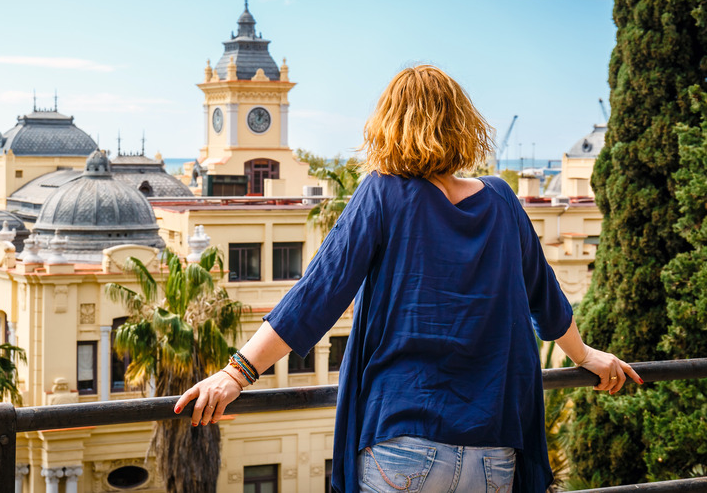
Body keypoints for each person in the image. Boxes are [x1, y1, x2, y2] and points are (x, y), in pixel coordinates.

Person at [174, 65, 641, 493]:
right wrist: (586, 356)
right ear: (463, 125)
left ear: (389, 125)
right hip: (494, 450)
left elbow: (317, 293)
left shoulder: (382, 192)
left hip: (403, 444)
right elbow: (548, 301)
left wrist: (237, 374)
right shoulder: (502, 199)